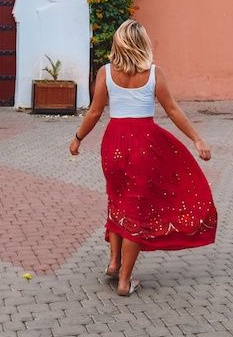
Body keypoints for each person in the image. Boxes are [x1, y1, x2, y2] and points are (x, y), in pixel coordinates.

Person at [69, 19, 217, 297]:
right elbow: (172, 110)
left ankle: (114, 263)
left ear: (118, 42)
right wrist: (196, 138)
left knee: (117, 200)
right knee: (135, 210)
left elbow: (93, 112)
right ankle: (125, 281)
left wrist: (78, 138)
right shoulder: (154, 74)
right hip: (144, 146)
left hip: (113, 143)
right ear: (143, 43)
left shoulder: (105, 72)